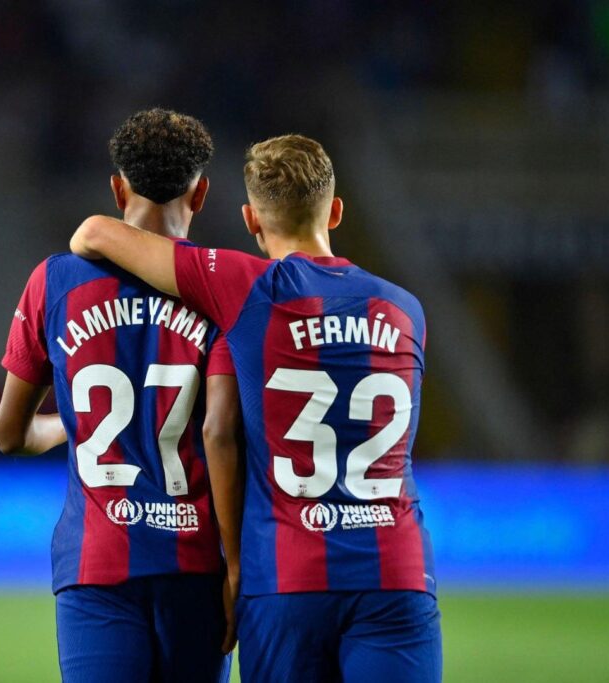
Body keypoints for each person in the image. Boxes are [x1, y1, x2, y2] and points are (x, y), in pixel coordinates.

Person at [70, 134, 442, 683]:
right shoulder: (405, 308)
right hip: (397, 572)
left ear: (249, 219)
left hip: (285, 577)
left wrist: (234, 564)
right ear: (336, 211)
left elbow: (95, 233)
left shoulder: (247, 286)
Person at [0, 108, 235, 683]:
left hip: (96, 565)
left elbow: (9, 435)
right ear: (200, 194)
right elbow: (227, 432)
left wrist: (64, 425)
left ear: (117, 187)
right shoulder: (226, 290)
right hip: (195, 566)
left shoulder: (53, 282)